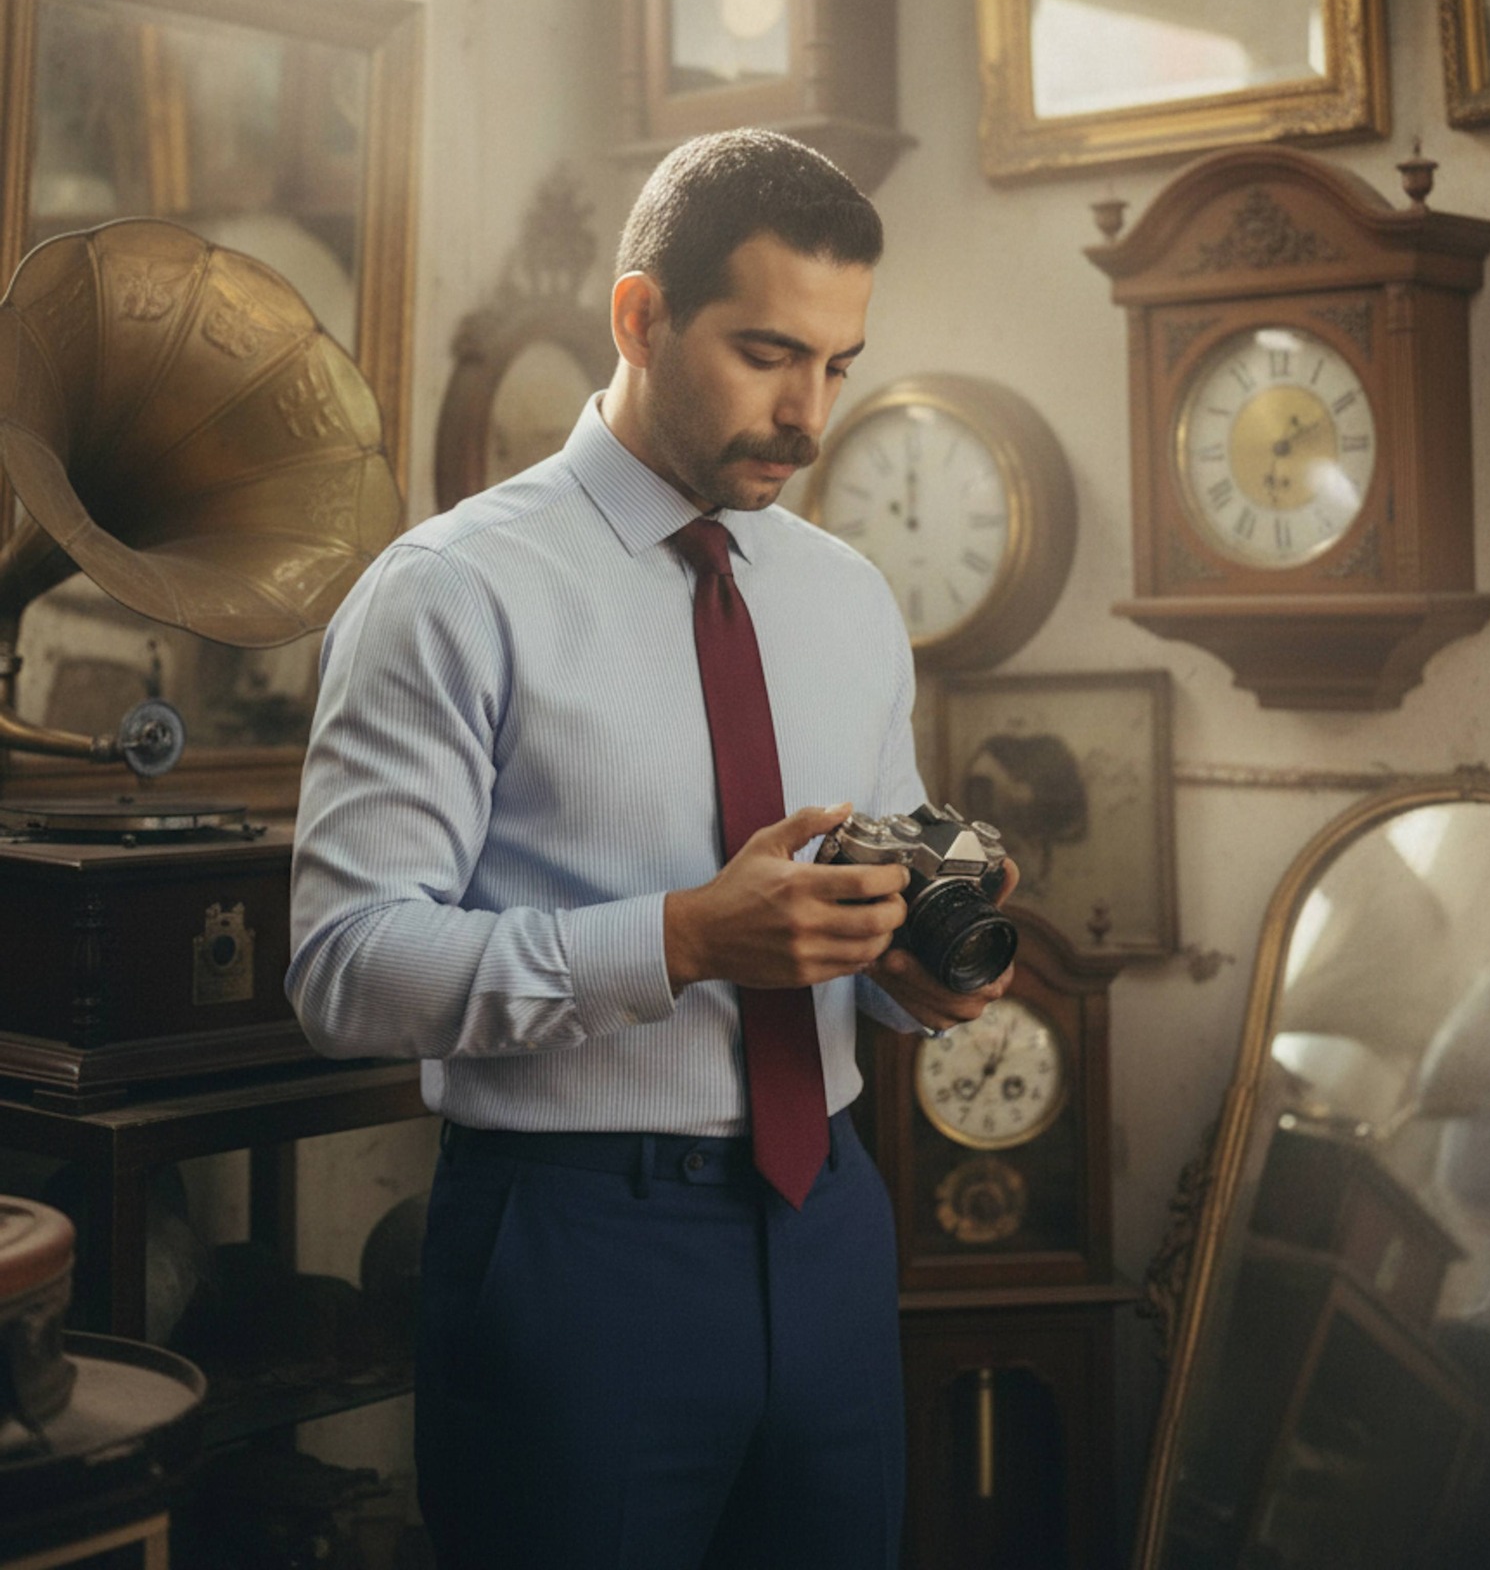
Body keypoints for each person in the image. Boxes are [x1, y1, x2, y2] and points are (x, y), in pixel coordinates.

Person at [286, 128, 1015, 1570]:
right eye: (764, 352)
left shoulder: (852, 597)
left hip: (833, 1232)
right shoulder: (449, 594)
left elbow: (846, 922)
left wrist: (906, 972)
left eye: (837, 364)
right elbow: (342, 969)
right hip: (574, 1257)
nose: (808, 415)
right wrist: (681, 939)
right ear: (639, 317)